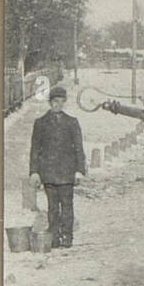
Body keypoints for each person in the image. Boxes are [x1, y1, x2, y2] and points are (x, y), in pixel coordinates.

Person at [30, 85, 87, 248]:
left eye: (61, 101)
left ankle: (67, 236)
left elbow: (79, 148)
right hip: (48, 173)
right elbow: (35, 150)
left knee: (67, 206)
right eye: (55, 101)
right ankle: (54, 237)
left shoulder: (72, 122)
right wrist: (34, 172)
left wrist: (79, 170)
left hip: (67, 173)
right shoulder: (40, 123)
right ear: (50, 102)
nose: (58, 105)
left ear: (64, 102)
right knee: (52, 207)